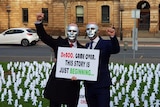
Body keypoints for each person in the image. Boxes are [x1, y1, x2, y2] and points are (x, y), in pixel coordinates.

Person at [35, 13, 85, 107]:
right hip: (57, 84)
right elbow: (44, 37)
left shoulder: (83, 50)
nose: (71, 33)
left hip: (72, 86)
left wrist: (79, 76)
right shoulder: (59, 43)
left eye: (74, 31)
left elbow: (86, 69)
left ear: (78, 33)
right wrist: (39, 22)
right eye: (69, 31)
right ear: (66, 32)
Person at [84, 22, 120, 107]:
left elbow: (115, 49)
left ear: (98, 31)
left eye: (92, 29)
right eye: (88, 29)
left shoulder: (105, 44)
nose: (90, 31)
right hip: (89, 86)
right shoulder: (87, 46)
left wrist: (112, 37)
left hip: (102, 85)